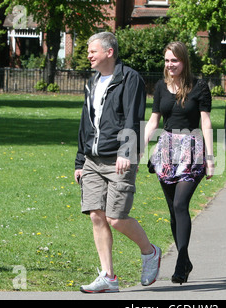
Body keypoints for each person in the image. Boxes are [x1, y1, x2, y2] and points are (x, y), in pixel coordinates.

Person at [74, 32, 161, 293]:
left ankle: (150, 252)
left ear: (109, 52)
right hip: (92, 159)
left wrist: (126, 151)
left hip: (118, 158)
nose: (88, 55)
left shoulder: (129, 78)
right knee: (96, 216)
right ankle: (108, 276)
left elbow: (133, 117)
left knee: (115, 217)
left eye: (93, 51)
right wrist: (80, 159)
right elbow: (85, 123)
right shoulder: (92, 82)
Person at [144, 41, 214, 284]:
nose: (170, 65)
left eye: (174, 60)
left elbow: (205, 122)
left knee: (181, 204)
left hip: (192, 150)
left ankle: (181, 260)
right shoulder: (161, 87)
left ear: (184, 61)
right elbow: (154, 121)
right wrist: (140, 145)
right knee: (173, 209)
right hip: (167, 151)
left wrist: (211, 158)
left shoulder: (199, 87)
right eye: (166, 60)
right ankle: (186, 261)